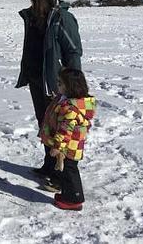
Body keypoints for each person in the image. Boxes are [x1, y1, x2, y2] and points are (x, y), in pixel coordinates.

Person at [15, 0, 83, 182]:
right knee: (45, 125)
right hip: (37, 79)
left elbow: (73, 51)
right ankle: (49, 164)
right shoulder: (33, 17)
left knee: (59, 128)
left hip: (57, 84)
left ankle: (60, 174)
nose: (30, 2)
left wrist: (72, 86)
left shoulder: (62, 18)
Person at [39, 68, 95, 211]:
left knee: (70, 172)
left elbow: (65, 131)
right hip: (65, 146)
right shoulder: (64, 99)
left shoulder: (71, 108)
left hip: (69, 147)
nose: (57, 85)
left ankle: (74, 199)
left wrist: (57, 146)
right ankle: (67, 194)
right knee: (64, 171)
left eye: (60, 83)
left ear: (71, 86)